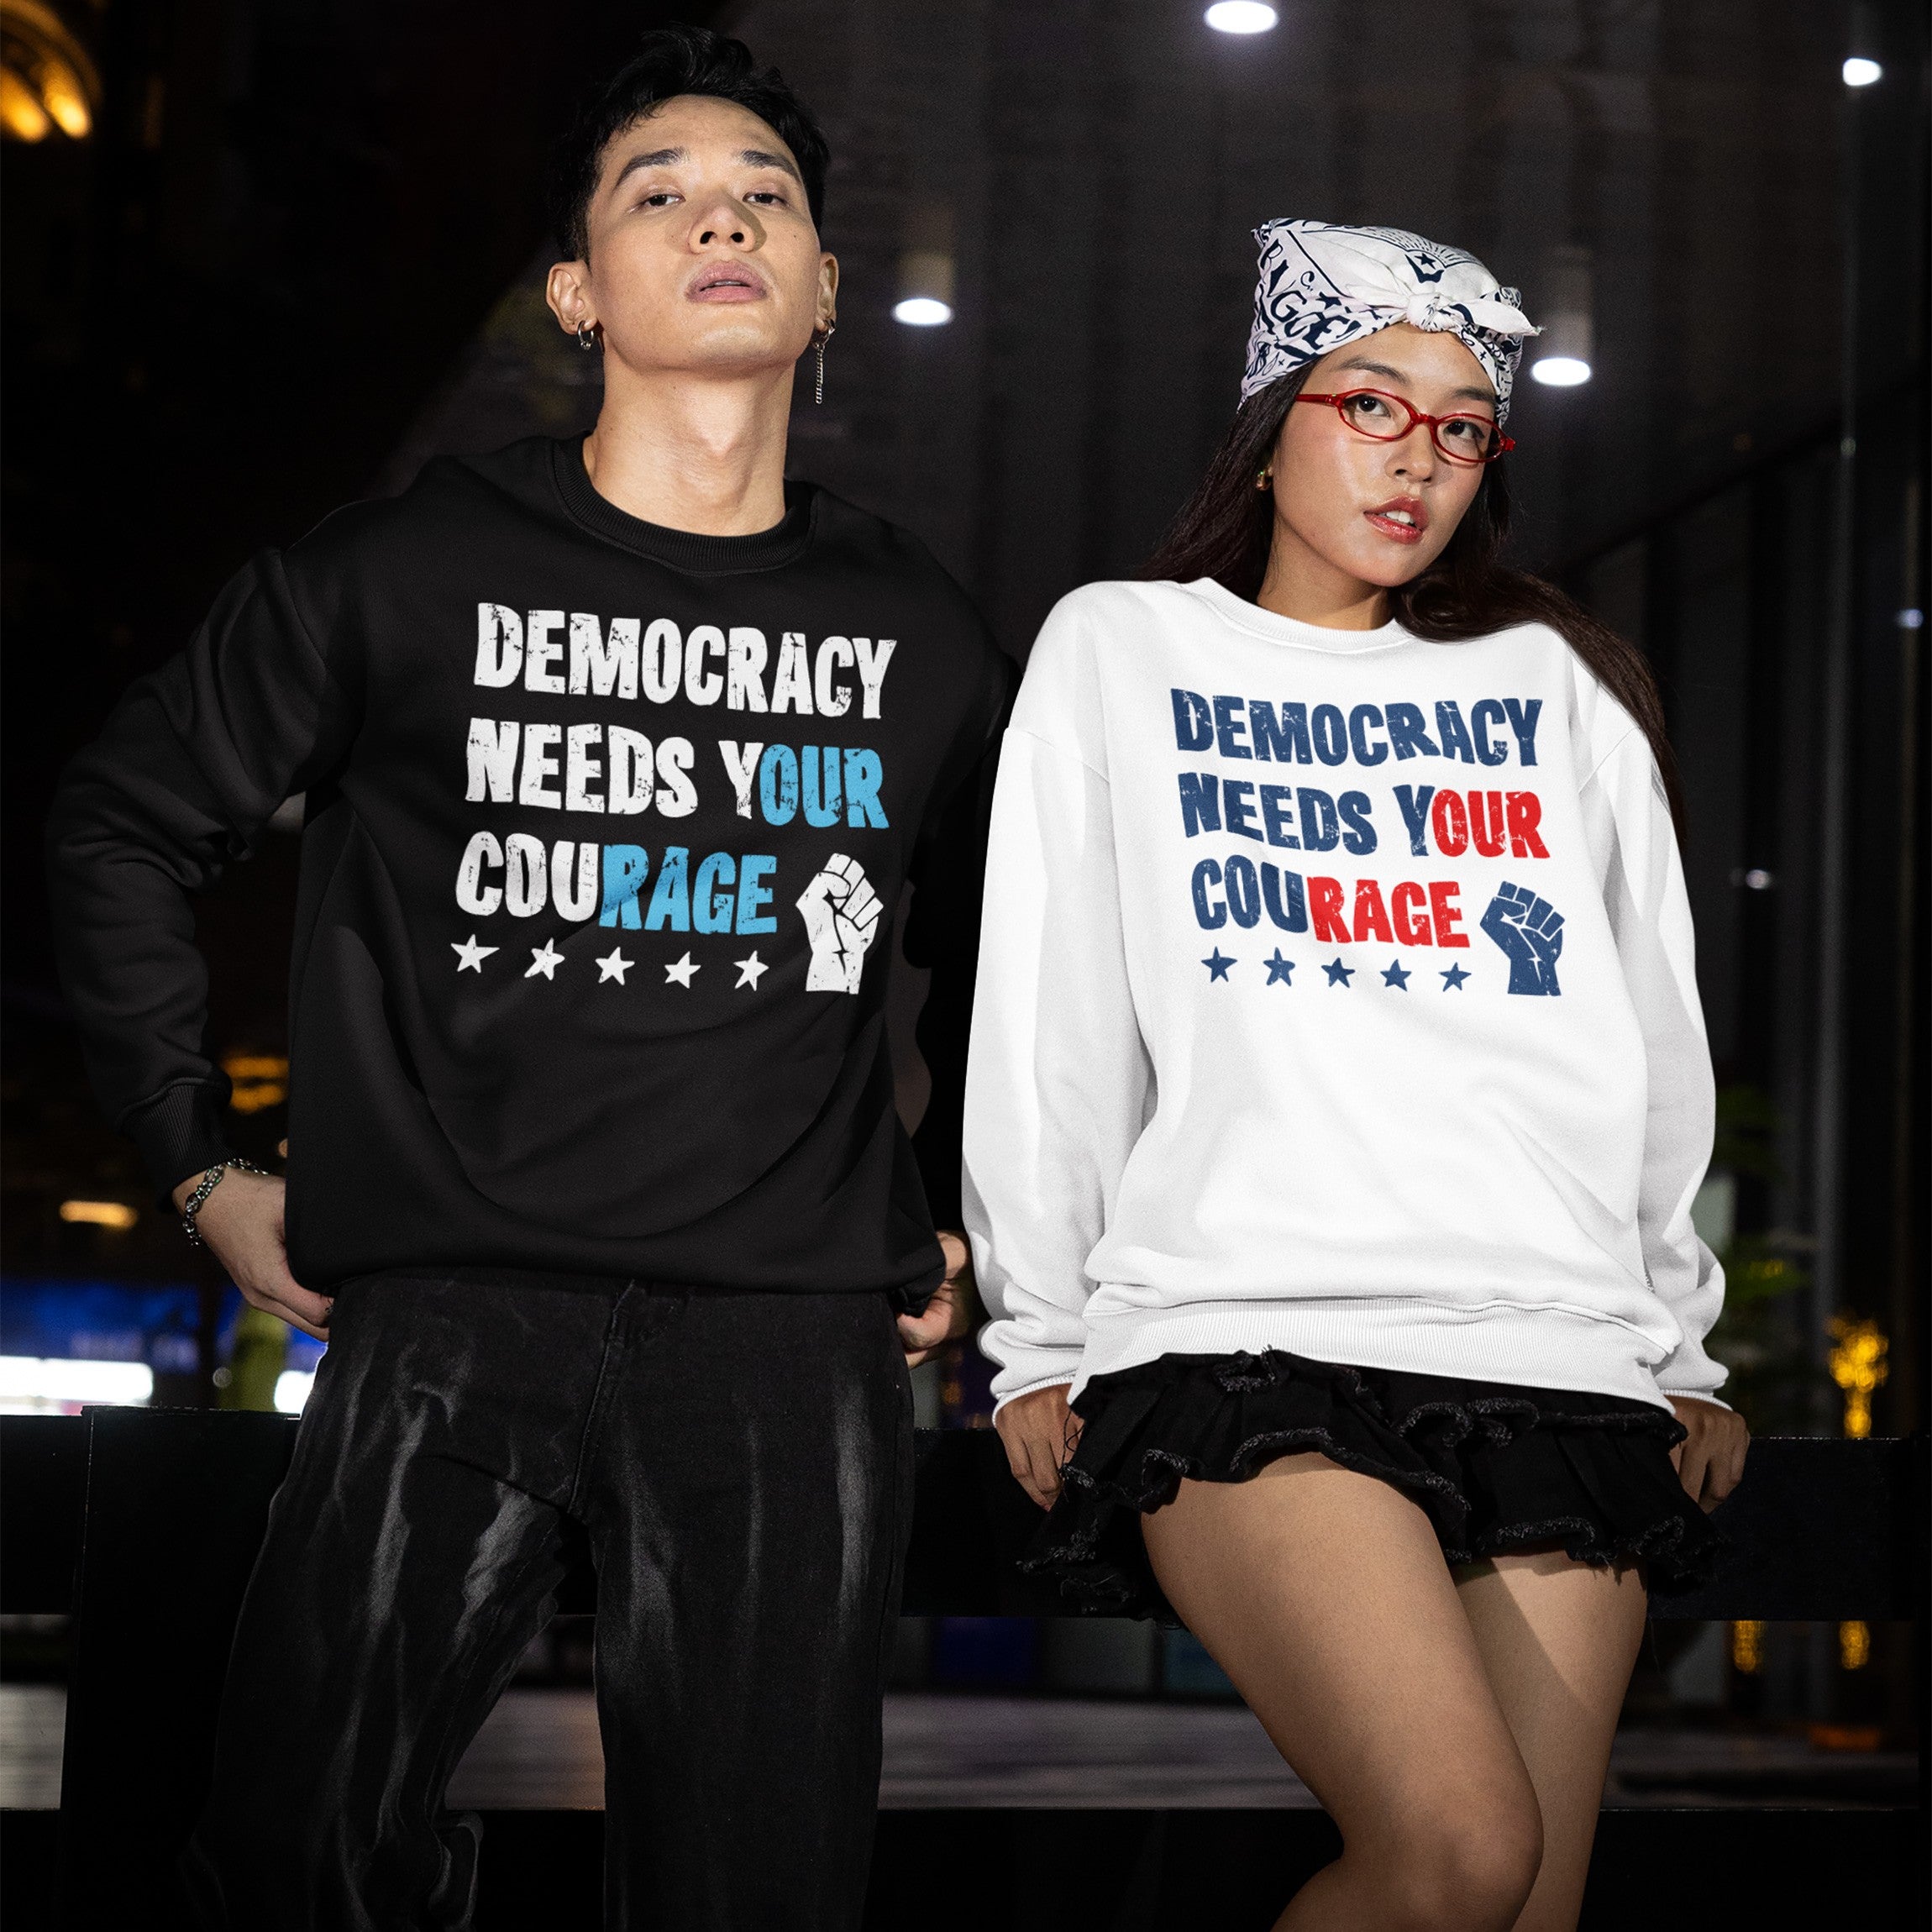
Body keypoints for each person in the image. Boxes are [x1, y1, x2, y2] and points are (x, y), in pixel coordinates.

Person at [46, 27, 1010, 1930]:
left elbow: (1021, 944)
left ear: (821, 289)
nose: (719, 215)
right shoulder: (408, 567)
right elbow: (117, 821)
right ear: (579, 287)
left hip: (784, 1339)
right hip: (450, 1312)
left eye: (766, 196)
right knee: (293, 1862)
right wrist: (197, 1162)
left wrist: (971, 1209)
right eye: (659, 192)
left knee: (760, 1896)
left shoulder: (918, 629)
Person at [965, 220, 1749, 1932]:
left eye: (1464, 426)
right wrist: (1038, 1329)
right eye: (1373, 404)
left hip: (1553, 1353)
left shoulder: (1561, 687)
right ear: (1273, 419)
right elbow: (1052, 1019)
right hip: (1252, 1340)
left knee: (1523, 1907)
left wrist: (1674, 1341)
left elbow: (1650, 1046)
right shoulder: (1121, 651)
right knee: (1457, 1849)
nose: (1418, 458)